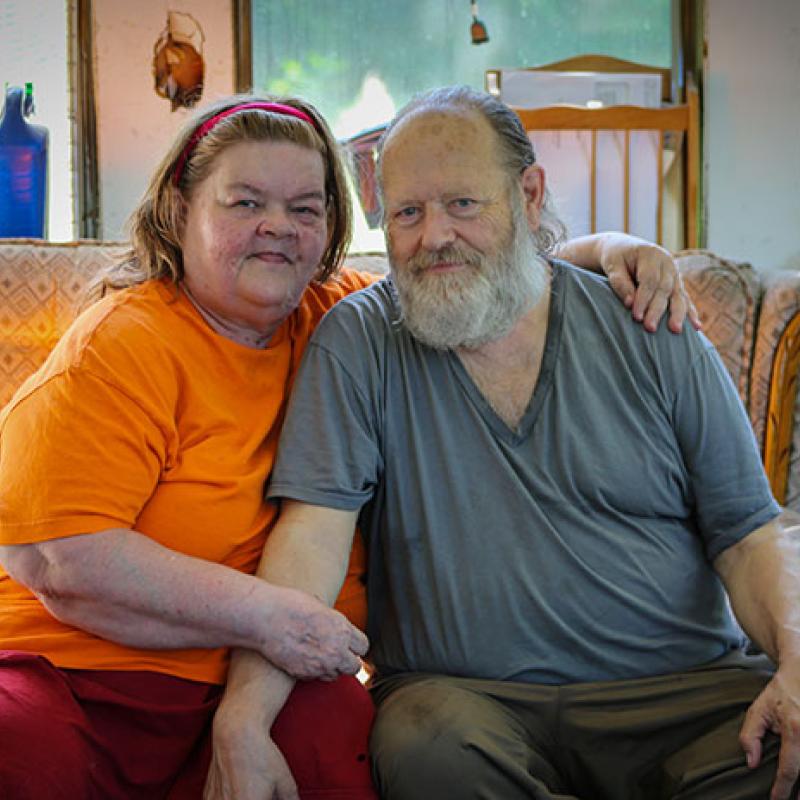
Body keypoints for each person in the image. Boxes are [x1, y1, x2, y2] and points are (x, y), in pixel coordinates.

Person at [0, 91, 687, 799]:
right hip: (76, 675)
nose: (279, 228)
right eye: (245, 204)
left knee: (336, 731)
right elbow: (59, 556)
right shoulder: (122, 344)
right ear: (180, 210)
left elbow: (473, 269)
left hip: (260, 674)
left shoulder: (341, 321)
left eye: (305, 207)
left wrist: (610, 250)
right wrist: (277, 616)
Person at [213, 85, 800, 800]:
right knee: (422, 746)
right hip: (468, 709)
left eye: (464, 204)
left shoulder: (649, 323)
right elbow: (309, 543)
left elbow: (749, 535)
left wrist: (798, 659)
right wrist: (243, 716)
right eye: (408, 212)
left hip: (683, 697)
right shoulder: (358, 342)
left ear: (527, 196)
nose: (434, 236)